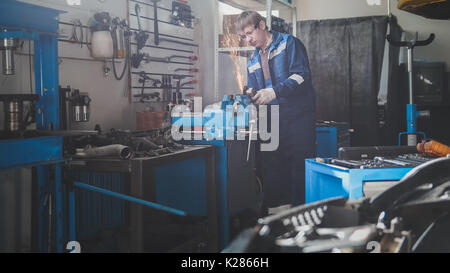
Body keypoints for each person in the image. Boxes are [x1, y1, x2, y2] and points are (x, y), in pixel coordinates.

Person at [236, 11, 316, 214]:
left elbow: (302, 76)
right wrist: (248, 100)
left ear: (262, 25)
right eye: (244, 36)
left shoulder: (289, 44)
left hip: (298, 120)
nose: (248, 39)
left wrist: (274, 91)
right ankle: (279, 223)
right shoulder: (253, 61)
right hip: (272, 123)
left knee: (300, 169)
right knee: (273, 170)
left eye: (249, 32)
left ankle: (303, 219)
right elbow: (255, 94)